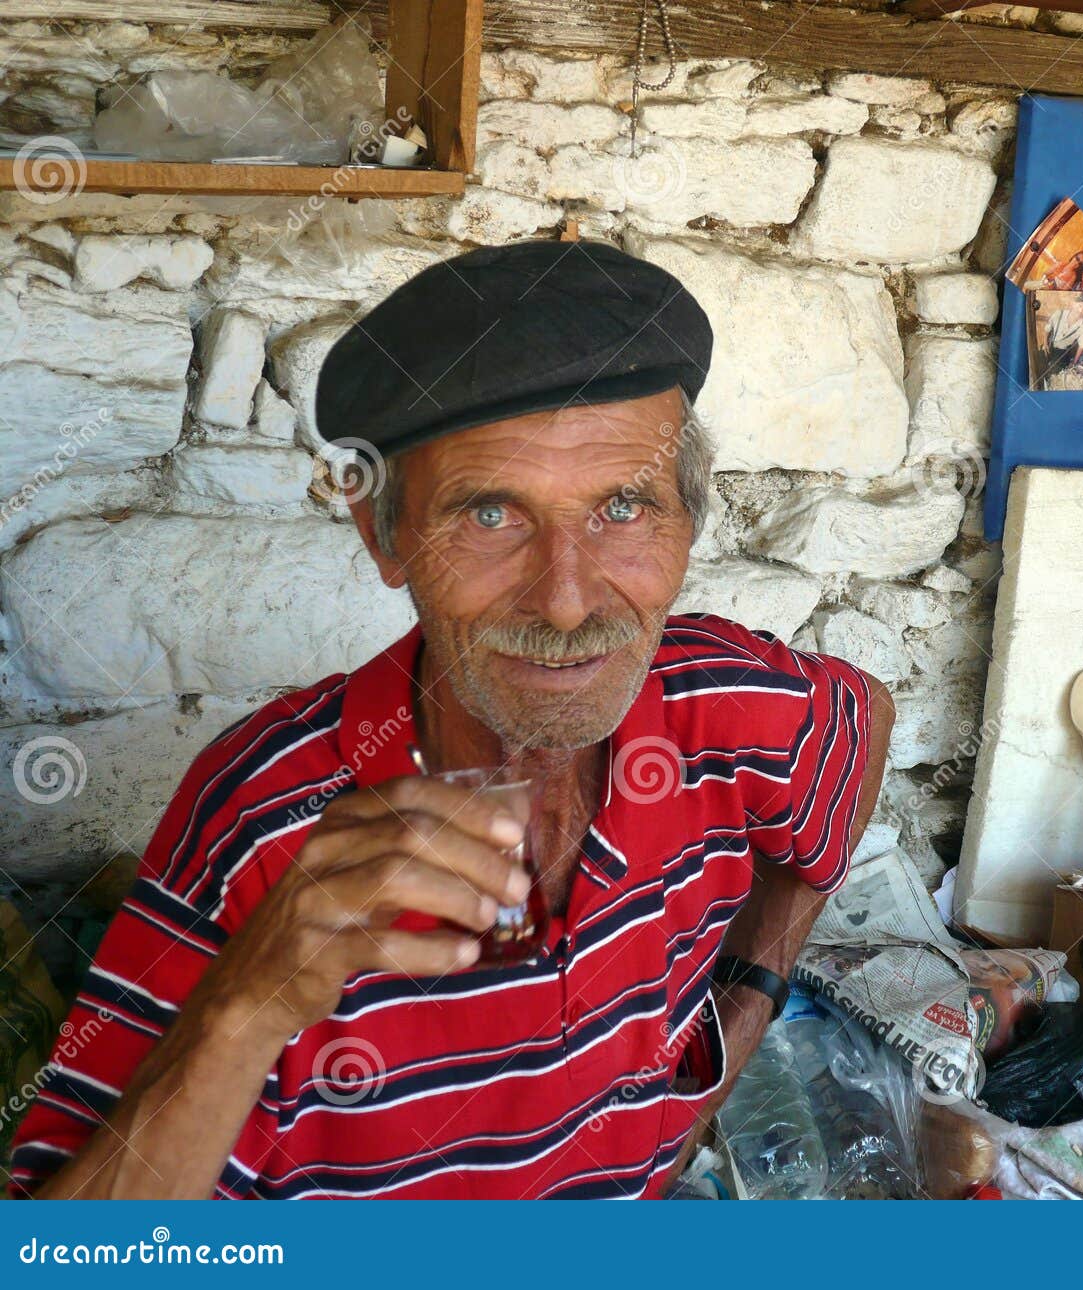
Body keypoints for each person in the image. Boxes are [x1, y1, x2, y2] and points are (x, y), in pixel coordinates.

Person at [8, 241, 895, 1200]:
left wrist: (752, 994)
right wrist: (245, 1004)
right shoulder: (265, 821)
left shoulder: (723, 704)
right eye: (488, 517)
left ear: (687, 520)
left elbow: (863, 721)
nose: (565, 600)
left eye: (625, 507)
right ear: (385, 538)